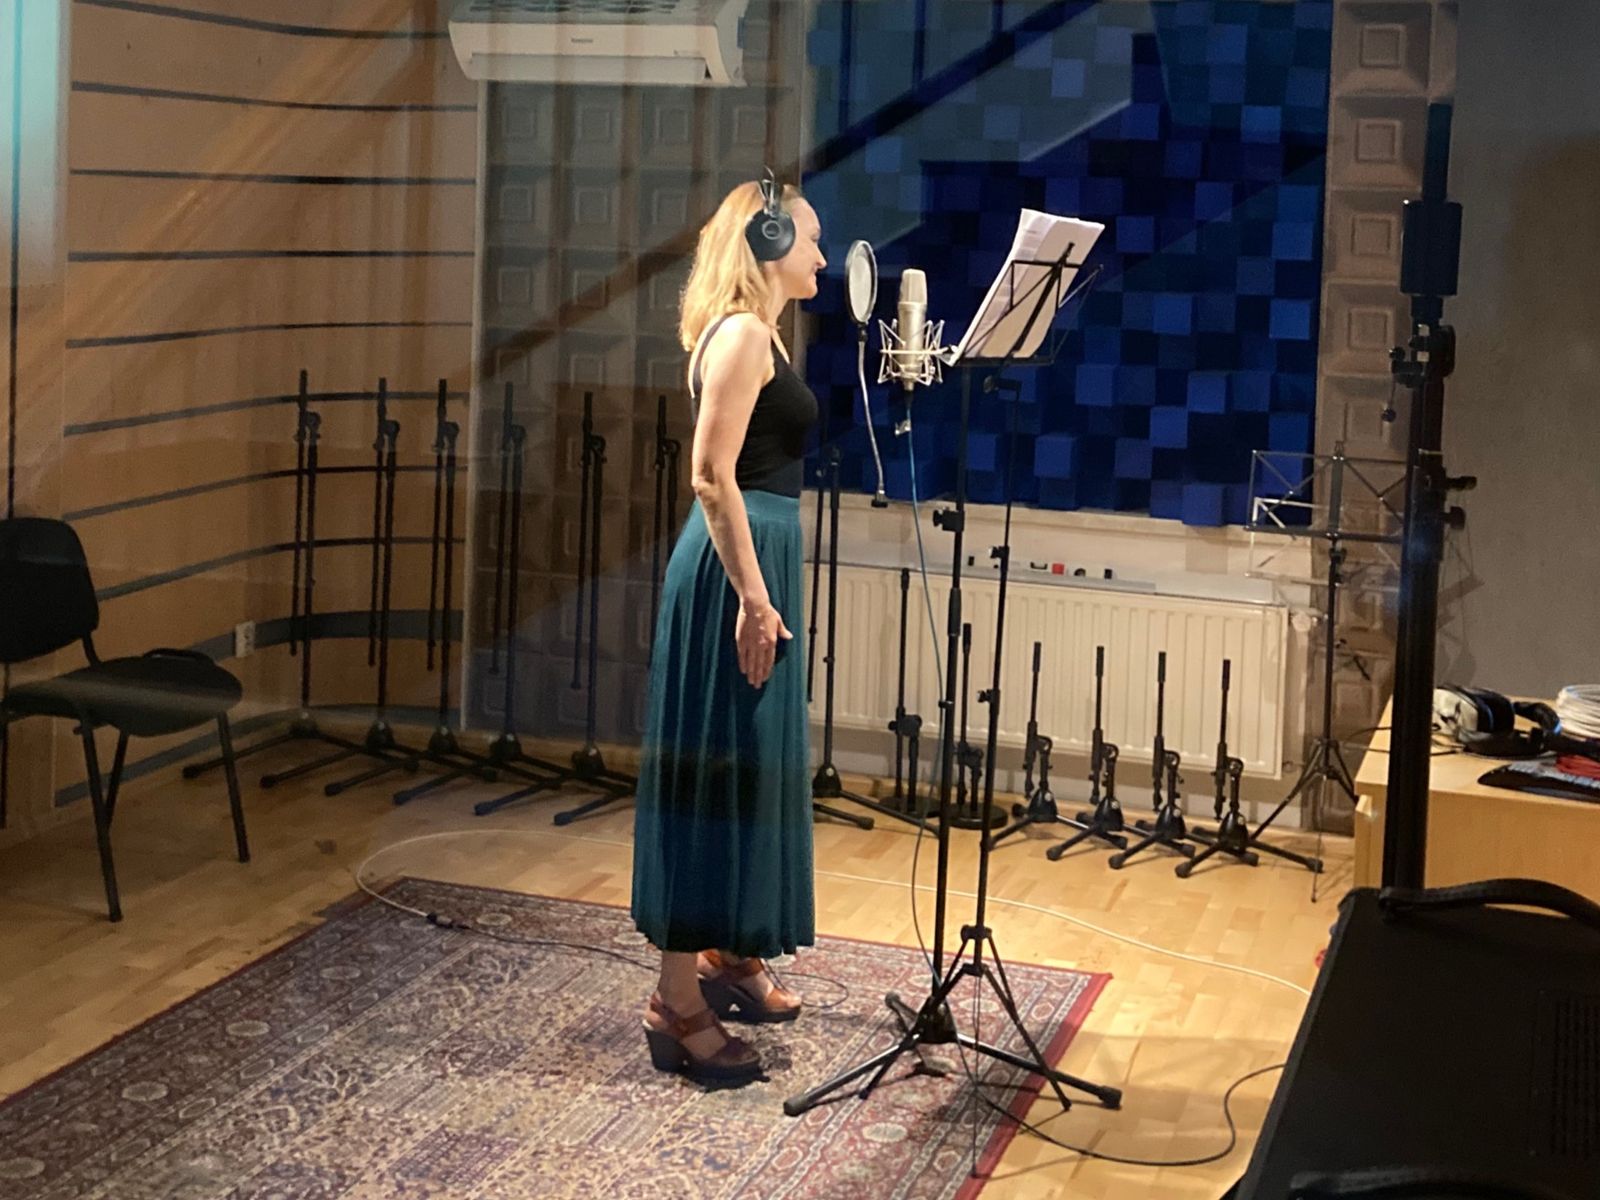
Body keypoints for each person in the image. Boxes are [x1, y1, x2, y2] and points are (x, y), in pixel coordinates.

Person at [631, 177, 826, 1084]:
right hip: (732, 573)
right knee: (710, 771)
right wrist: (752, 596)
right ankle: (676, 1001)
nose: (821, 255)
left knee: (743, 764)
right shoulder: (745, 334)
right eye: (810, 239)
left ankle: (728, 952)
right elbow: (712, 476)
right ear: (770, 240)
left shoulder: (764, 334)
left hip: (755, 560)